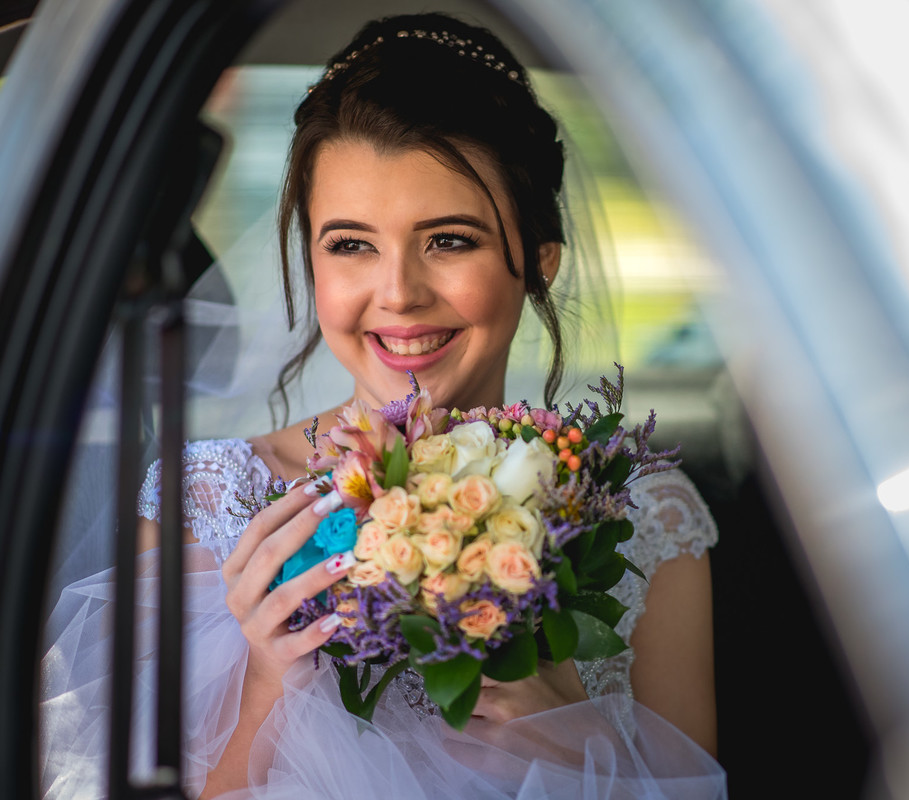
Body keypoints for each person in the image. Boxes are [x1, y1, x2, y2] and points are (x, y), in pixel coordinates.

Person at [42, 12, 724, 799]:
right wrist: (267, 686)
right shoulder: (206, 502)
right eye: (351, 244)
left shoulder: (645, 518)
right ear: (310, 258)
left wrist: (571, 732)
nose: (398, 294)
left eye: (449, 240)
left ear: (537, 264)